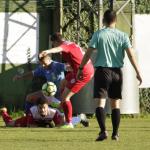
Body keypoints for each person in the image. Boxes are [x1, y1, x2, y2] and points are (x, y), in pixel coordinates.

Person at [77, 9, 142, 141]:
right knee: (115, 104)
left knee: (100, 103)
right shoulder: (122, 35)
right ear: (115, 21)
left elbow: (88, 53)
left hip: (102, 71)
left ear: (103, 21)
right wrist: (138, 71)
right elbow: (130, 54)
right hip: (117, 72)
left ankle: (103, 131)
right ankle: (115, 134)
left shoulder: (99, 34)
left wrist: (81, 68)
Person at [39, 32, 94, 128]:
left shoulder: (64, 45)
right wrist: (72, 67)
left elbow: (59, 48)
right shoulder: (70, 43)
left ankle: (69, 123)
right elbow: (78, 57)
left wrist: (48, 51)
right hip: (80, 70)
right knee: (63, 82)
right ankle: (60, 104)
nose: (53, 45)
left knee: (65, 98)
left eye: (53, 44)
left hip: (83, 72)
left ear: (56, 41)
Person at [0, 97, 88, 128]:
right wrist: (45, 126)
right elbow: (30, 126)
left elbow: (58, 126)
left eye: (44, 108)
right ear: (37, 107)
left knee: (65, 123)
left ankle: (79, 117)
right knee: (9, 124)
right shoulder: (33, 110)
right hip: (33, 121)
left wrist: (52, 126)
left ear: (47, 107)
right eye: (40, 108)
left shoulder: (53, 112)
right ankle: (4, 112)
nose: (42, 110)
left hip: (47, 119)